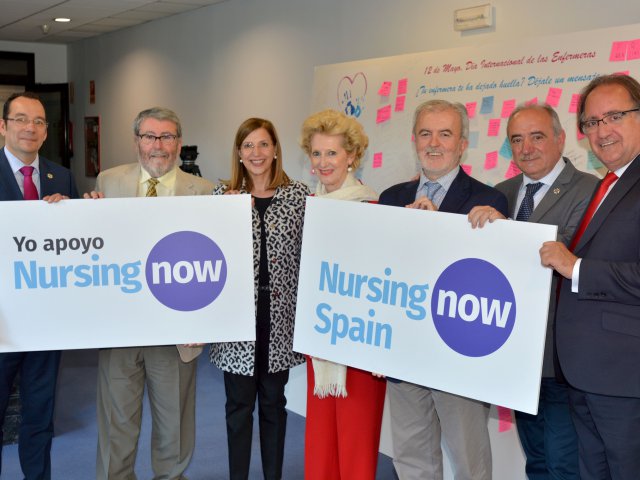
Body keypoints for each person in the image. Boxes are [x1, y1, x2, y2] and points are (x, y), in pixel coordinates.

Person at [379, 99, 508, 480]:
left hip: (458, 356)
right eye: (425, 133)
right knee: (412, 458)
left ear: (463, 144)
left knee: (470, 462)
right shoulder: (389, 200)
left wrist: (444, 230)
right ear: (414, 139)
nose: (434, 143)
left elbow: (490, 281)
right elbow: (377, 274)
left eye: (445, 134)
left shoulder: (490, 201)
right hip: (404, 351)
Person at [468, 103, 598, 480]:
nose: (526, 148)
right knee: (537, 460)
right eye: (517, 140)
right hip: (513, 353)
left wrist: (506, 231)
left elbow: (568, 250)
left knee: (563, 464)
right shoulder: (500, 192)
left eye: (537, 136)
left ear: (560, 139)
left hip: (561, 357)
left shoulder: (590, 189)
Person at [85, 107, 214, 480]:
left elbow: (215, 261)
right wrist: (79, 212)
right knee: (117, 428)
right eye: (149, 136)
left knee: (173, 433)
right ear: (137, 140)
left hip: (176, 332)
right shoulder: (107, 182)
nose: (158, 146)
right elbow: (94, 248)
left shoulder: (205, 191)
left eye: (167, 136)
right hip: (121, 330)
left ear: (178, 142)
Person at [539, 73, 640, 480]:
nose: (602, 131)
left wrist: (575, 267)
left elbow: (574, 265)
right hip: (583, 373)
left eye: (614, 116)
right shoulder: (608, 185)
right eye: (592, 122)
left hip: (623, 376)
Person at [210, 117, 308, 480]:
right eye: (248, 145)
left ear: (276, 149)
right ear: (238, 153)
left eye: (263, 144)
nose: (256, 152)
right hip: (237, 323)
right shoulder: (221, 198)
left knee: (273, 405)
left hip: (279, 319)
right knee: (237, 408)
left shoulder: (298, 196)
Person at [299, 109, 386, 480]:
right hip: (320, 340)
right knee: (321, 442)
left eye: (332, 153)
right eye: (317, 154)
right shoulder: (309, 205)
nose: (323, 163)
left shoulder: (371, 207)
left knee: (354, 446)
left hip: (360, 345)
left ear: (351, 156)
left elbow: (382, 280)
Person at [0, 91, 79, 480]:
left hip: (46, 322)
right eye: (20, 119)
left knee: (39, 414)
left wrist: (75, 212)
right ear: (3, 126)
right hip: (1, 323)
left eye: (39, 122)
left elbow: (80, 247)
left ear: (47, 132)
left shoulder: (61, 177)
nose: (30, 128)